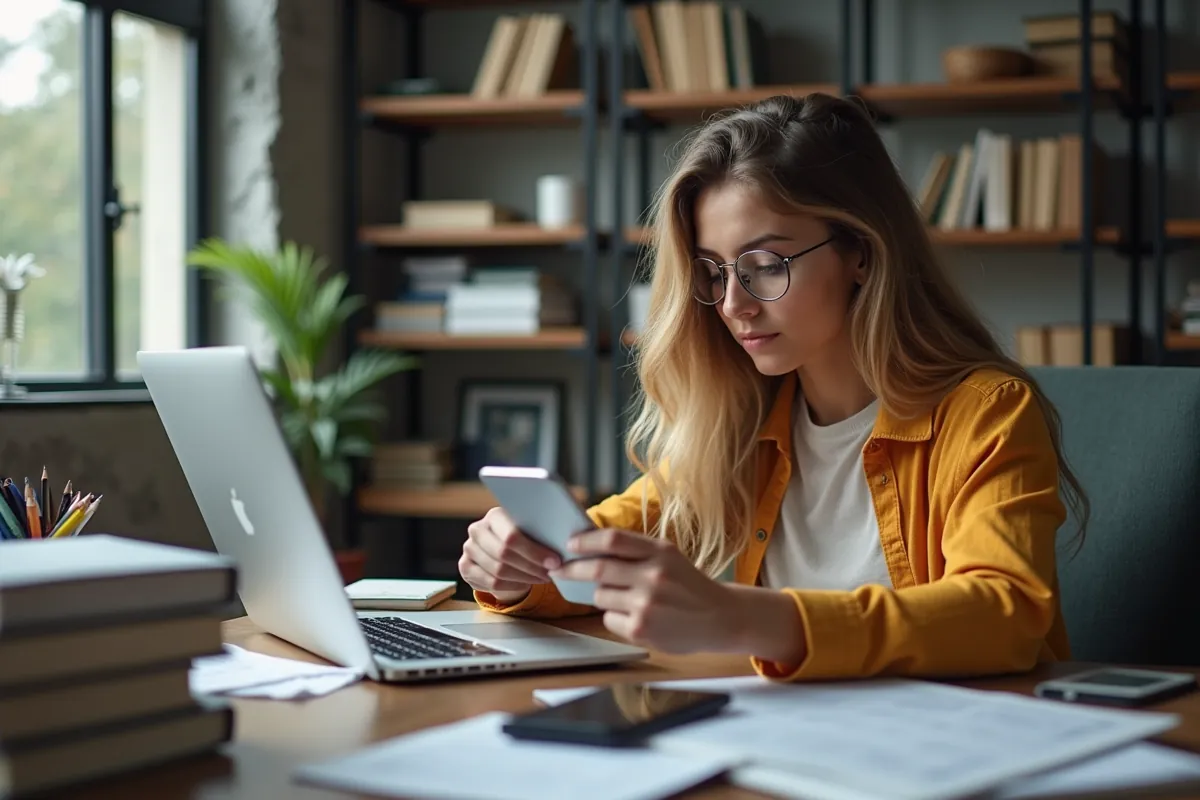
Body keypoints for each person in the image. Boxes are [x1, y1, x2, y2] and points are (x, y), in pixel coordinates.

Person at [457, 93, 1089, 682]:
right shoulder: (744, 420)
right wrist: (518, 566)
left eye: (765, 266)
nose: (734, 304)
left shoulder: (987, 413)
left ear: (861, 253)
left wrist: (748, 618)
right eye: (714, 272)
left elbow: (1005, 613)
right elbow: (609, 545)